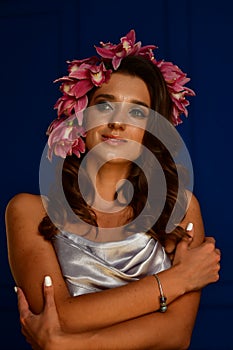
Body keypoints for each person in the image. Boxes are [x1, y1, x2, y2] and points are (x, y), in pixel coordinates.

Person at [5, 29, 220, 350]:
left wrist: (69, 345)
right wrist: (179, 280)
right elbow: (60, 316)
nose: (118, 122)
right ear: (80, 118)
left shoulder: (180, 209)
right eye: (104, 106)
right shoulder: (28, 211)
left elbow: (176, 334)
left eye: (136, 111)